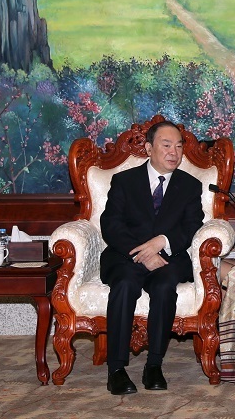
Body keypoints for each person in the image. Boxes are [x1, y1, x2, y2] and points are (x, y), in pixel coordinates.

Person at [99, 121, 205, 395]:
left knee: (165, 285)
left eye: (178, 146)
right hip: (126, 256)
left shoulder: (190, 186)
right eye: (166, 145)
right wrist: (142, 252)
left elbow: (192, 226)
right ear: (148, 148)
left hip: (169, 258)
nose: (174, 152)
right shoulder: (124, 181)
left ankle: (154, 365)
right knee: (124, 284)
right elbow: (111, 224)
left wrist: (162, 242)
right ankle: (116, 369)